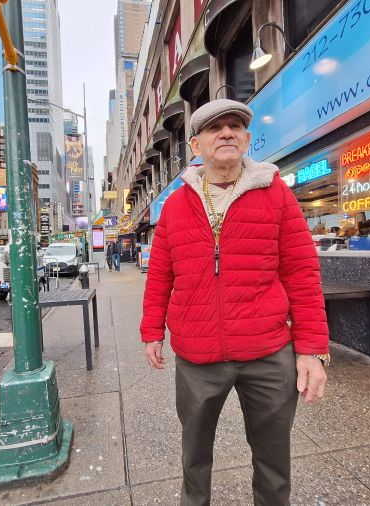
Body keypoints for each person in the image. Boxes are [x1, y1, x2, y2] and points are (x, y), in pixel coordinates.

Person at [140, 99, 329, 506]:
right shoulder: (176, 205)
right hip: (197, 354)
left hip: (268, 352)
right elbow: (160, 275)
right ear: (196, 145)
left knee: (273, 459)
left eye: (234, 127)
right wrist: (152, 330)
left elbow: (301, 273)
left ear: (246, 139)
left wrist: (311, 349)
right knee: (194, 455)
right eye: (214, 128)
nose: (226, 132)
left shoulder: (276, 194)